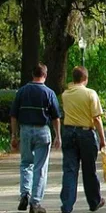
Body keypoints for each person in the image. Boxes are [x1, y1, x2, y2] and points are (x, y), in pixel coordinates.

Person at [10, 63, 61, 213]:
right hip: (43, 131)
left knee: (26, 163)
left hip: (25, 130)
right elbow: (56, 117)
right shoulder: (49, 93)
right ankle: (35, 203)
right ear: (45, 75)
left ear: (32, 74)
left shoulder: (22, 91)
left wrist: (14, 135)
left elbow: (13, 115)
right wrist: (58, 135)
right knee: (40, 167)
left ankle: (25, 193)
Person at [60, 66, 106, 213]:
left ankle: (67, 206)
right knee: (89, 170)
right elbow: (97, 118)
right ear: (85, 79)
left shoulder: (65, 94)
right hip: (86, 134)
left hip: (68, 132)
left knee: (69, 170)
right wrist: (102, 140)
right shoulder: (90, 94)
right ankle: (94, 201)